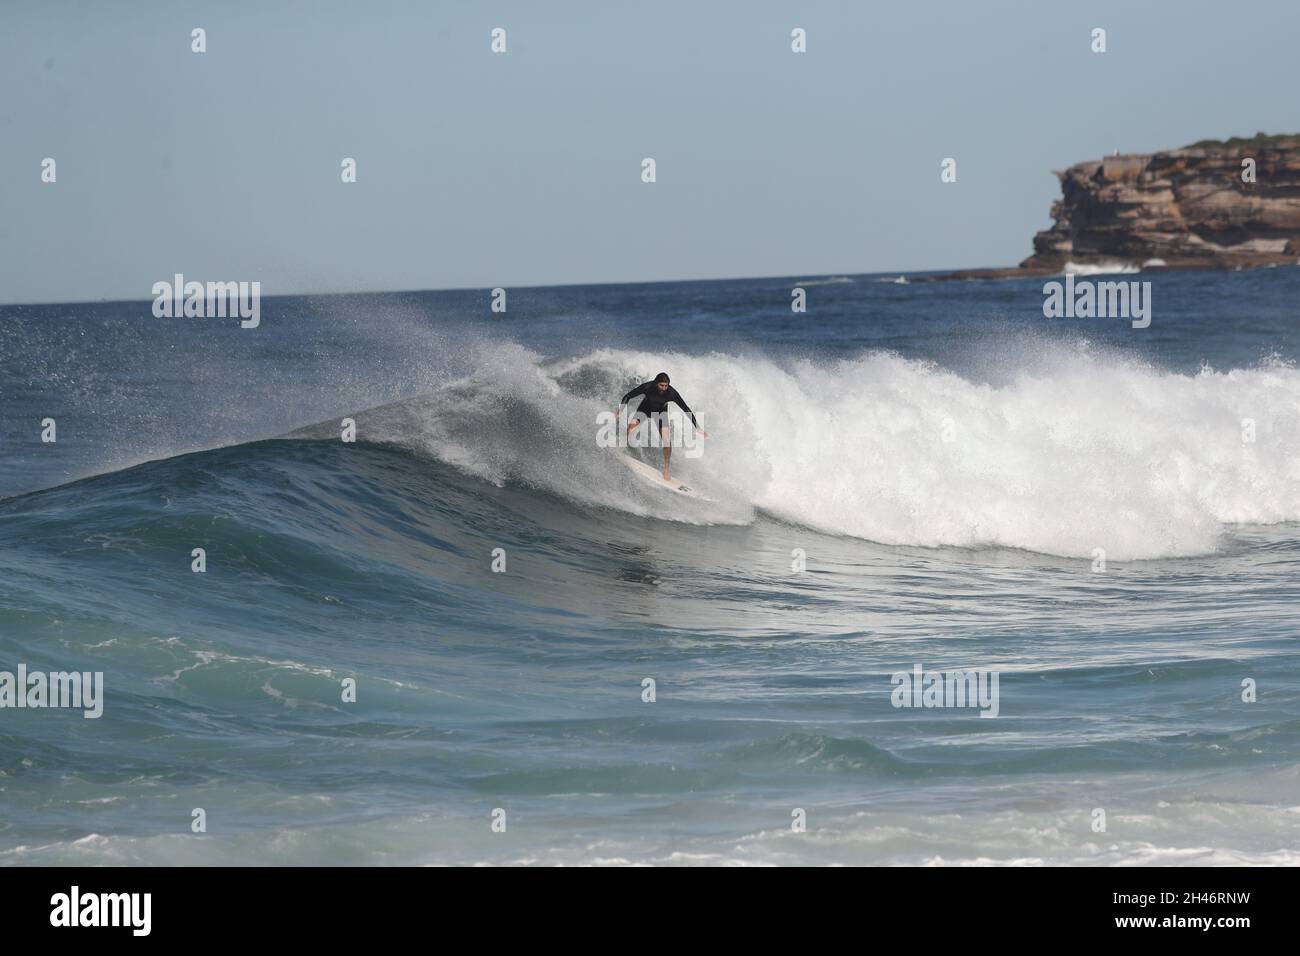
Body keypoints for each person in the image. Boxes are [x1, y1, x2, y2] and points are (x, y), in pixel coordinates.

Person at [617, 372, 707, 481]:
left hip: (661, 413)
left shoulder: (672, 393)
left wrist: (697, 426)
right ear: (656, 383)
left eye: (666, 386)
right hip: (645, 409)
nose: (664, 388)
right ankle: (620, 450)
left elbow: (686, 409)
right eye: (661, 385)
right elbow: (628, 395)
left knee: (667, 442)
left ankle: (666, 469)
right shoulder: (647, 387)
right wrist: (620, 410)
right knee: (630, 429)